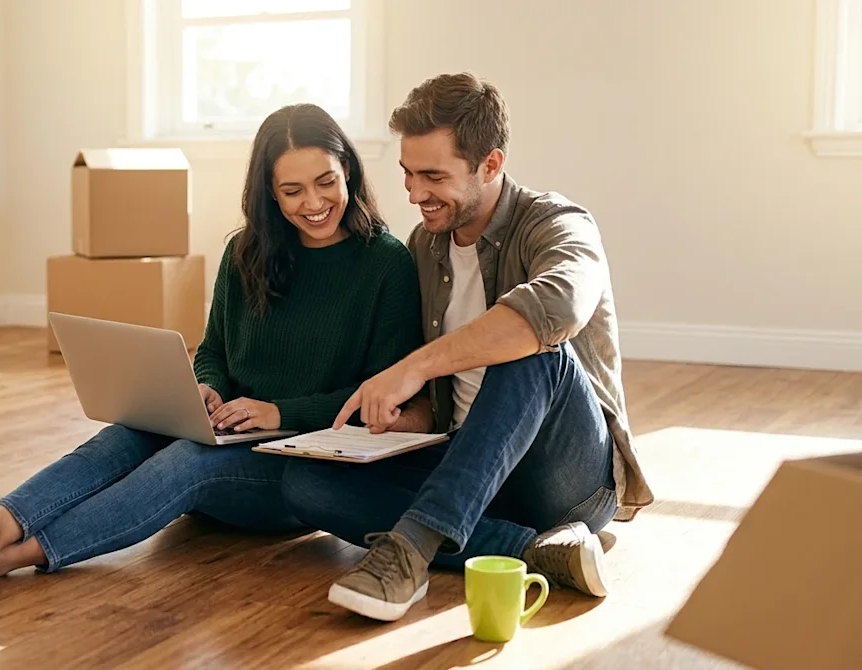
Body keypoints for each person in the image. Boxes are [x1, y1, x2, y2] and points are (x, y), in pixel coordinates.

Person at [0, 103, 425, 595]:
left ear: (348, 170)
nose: (314, 203)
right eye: (292, 191)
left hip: (299, 468)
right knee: (130, 432)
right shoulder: (246, 251)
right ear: (269, 192)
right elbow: (213, 348)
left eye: (326, 182)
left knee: (190, 460)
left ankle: (5, 559)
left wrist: (280, 411)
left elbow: (378, 399)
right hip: (232, 431)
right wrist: (207, 387)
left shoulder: (385, 264)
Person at [280, 73, 656, 622]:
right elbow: (439, 398)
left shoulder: (558, 223)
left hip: (566, 479)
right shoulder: (423, 245)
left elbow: (556, 309)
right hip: (468, 469)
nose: (414, 194)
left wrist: (412, 367)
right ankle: (534, 552)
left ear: (491, 164)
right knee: (307, 483)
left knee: (532, 346)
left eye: (433, 176)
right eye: (408, 174)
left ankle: (410, 552)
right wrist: (404, 419)